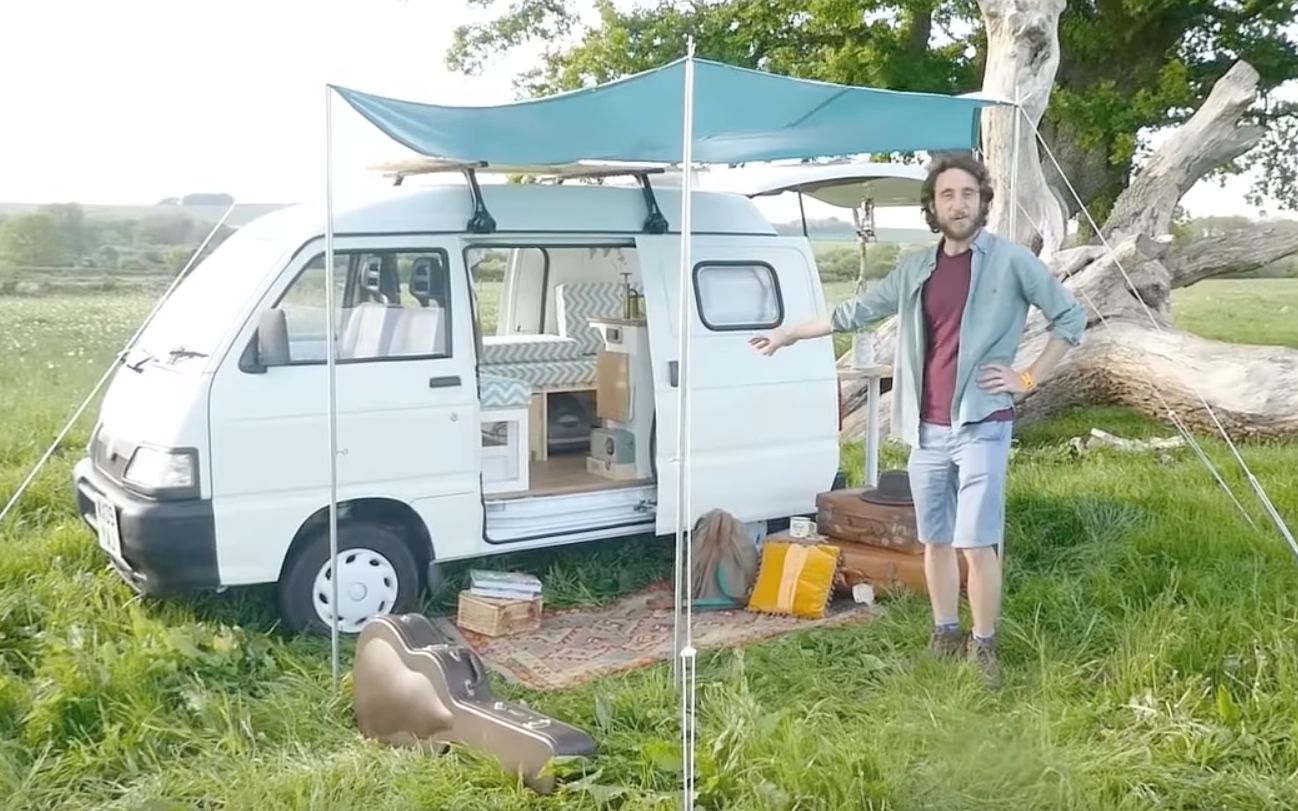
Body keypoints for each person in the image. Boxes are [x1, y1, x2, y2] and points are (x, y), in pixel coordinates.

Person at [749, 153, 1085, 688]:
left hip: (983, 423)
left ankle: (985, 645)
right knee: (936, 540)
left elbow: (1070, 317)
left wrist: (1028, 378)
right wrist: (790, 334)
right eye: (948, 195)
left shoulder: (1011, 262)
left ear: (983, 202)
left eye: (968, 194)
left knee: (977, 541)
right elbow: (853, 312)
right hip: (928, 430)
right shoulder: (916, 269)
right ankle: (945, 631)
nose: (959, 204)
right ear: (933, 206)